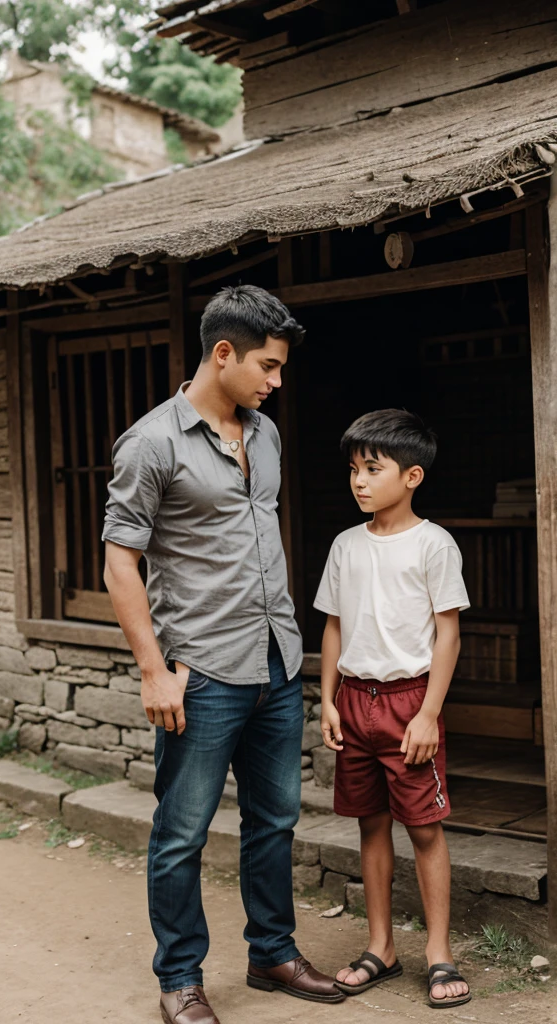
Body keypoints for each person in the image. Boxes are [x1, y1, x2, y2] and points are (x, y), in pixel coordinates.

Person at [103, 285, 345, 1024]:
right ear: (222, 353)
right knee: (182, 832)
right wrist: (153, 671)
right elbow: (120, 561)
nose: (276, 382)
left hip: (275, 658)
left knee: (274, 821)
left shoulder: (264, 435)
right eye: (268, 367)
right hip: (201, 672)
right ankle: (180, 978)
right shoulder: (152, 443)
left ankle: (272, 951)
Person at [315, 409, 472, 1010]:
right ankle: (381, 946)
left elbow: (448, 635)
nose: (358, 481)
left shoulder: (433, 543)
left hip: (410, 701)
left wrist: (429, 713)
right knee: (369, 824)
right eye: (353, 469)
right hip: (354, 701)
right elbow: (331, 628)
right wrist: (327, 700)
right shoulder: (344, 545)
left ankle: (438, 952)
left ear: (412, 476)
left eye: (372, 469)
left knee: (425, 828)